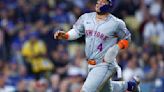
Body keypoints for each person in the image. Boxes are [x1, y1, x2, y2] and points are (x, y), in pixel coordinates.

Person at [54, 0, 140, 92]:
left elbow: (127, 37)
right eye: (98, 2)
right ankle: (130, 85)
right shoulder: (86, 17)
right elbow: (77, 31)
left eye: (103, 2)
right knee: (107, 90)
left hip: (105, 63)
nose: (99, 4)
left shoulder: (116, 23)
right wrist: (66, 35)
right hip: (90, 64)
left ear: (110, 5)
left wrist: (117, 47)